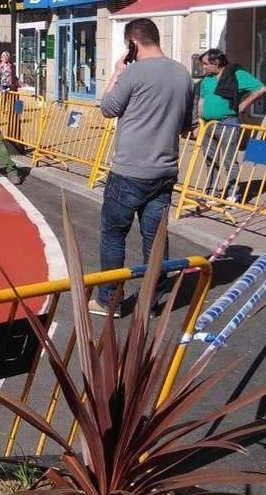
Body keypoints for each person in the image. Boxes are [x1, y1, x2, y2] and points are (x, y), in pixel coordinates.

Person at [91, 18, 194, 317]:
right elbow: (186, 126)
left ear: (132, 44)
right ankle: (150, 302)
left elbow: (108, 109)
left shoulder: (133, 73)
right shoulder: (182, 74)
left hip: (129, 171)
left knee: (113, 235)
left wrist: (116, 72)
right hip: (164, 172)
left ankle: (107, 299)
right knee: (156, 238)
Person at [197, 48, 266, 202]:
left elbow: (261, 88)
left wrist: (245, 103)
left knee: (229, 159)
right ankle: (210, 192)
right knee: (210, 159)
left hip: (228, 123)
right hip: (208, 125)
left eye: (206, 64)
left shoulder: (236, 75)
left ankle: (233, 193)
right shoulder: (207, 79)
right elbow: (202, 100)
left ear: (217, 63)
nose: (204, 67)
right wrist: (200, 122)